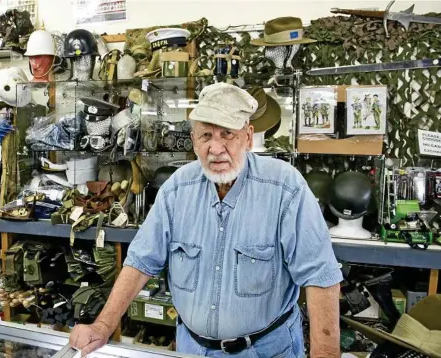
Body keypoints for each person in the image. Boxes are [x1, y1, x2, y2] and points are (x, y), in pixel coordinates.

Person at [70, 83, 343, 358]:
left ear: (248, 137)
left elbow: (320, 277)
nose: (215, 148)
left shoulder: (285, 188)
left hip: (265, 351)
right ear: (193, 139)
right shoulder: (177, 189)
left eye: (228, 134)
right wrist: (103, 325)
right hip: (192, 349)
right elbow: (140, 261)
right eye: (206, 135)